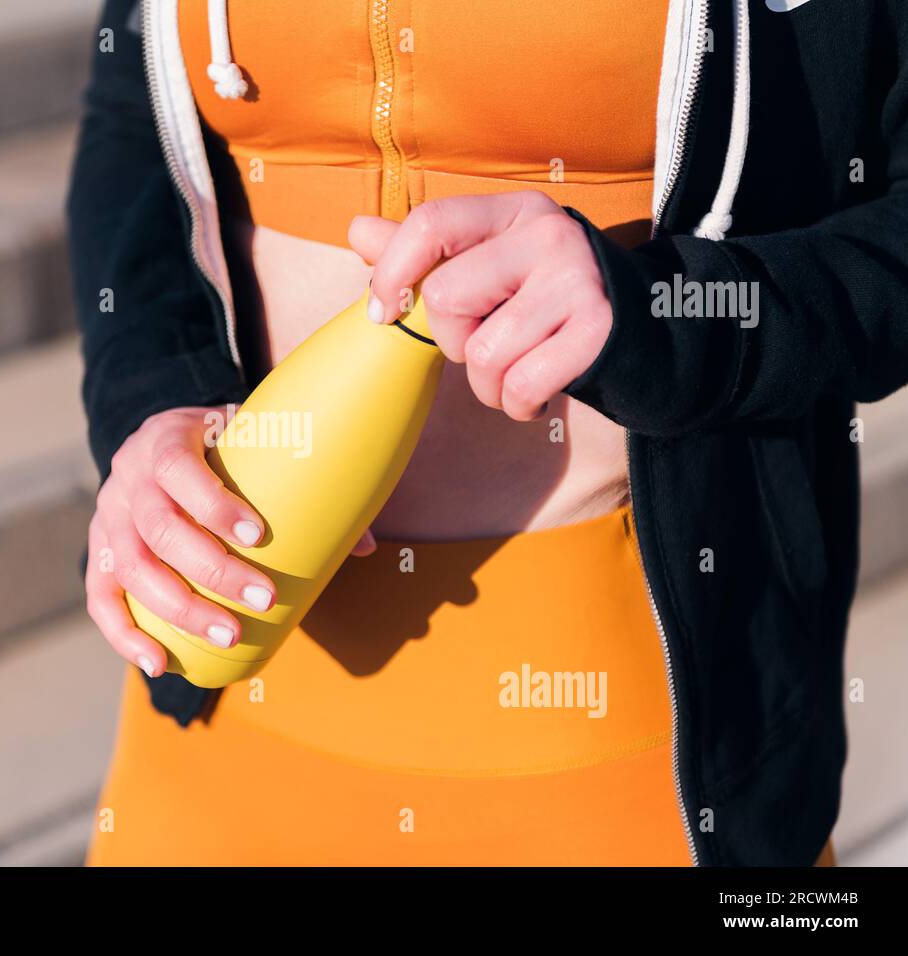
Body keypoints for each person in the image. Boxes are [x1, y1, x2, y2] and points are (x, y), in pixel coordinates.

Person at [66, 0, 908, 865]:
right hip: (219, 695)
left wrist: (669, 314)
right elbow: (136, 110)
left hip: (632, 735)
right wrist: (153, 393)